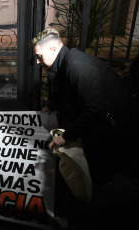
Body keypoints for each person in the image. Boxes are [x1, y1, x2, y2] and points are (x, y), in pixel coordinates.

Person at [31, 28, 133, 185]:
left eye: (39, 56)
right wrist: (50, 106)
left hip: (110, 121)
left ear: (52, 49)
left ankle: (98, 189)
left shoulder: (77, 66)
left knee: (99, 166)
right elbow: (65, 90)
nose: (37, 61)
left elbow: (93, 109)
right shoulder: (63, 62)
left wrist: (66, 137)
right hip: (100, 115)